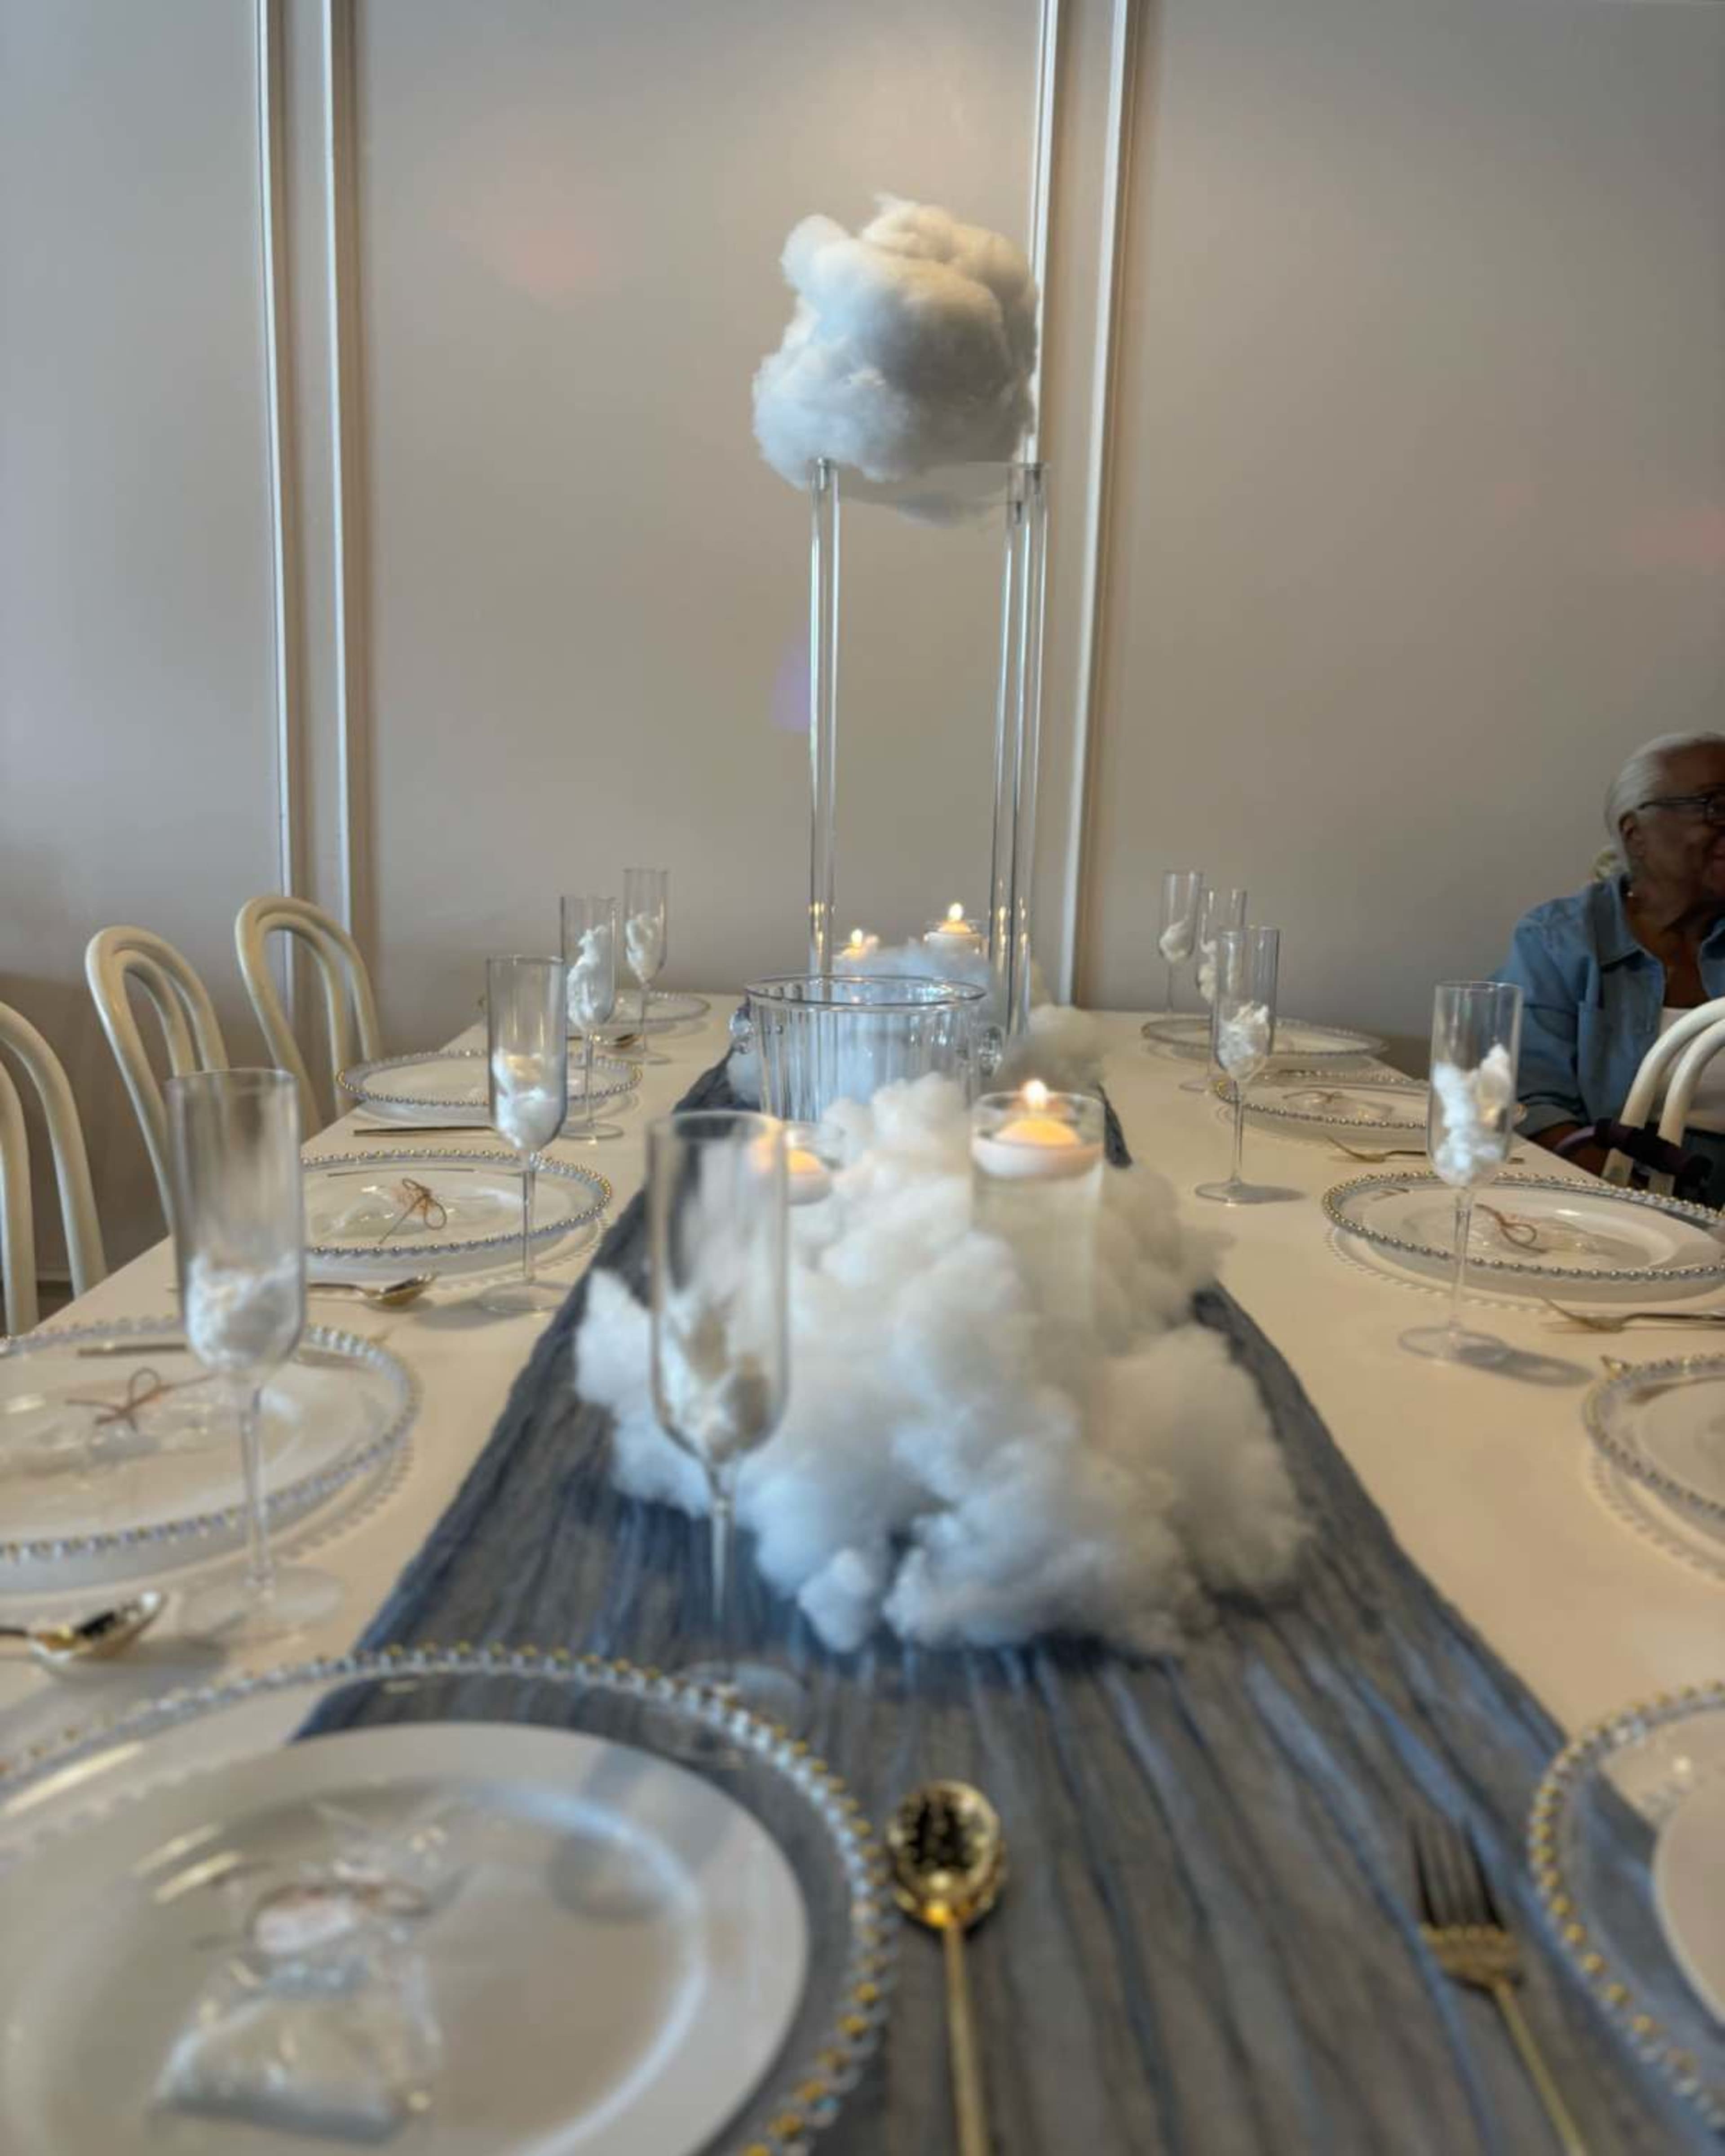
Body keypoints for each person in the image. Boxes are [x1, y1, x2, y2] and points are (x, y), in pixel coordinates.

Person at [1499, 730, 1725, 1202]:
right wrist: (1644, 1206)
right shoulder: (1559, 939)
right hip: (1607, 1201)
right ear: (1635, 834)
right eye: (1716, 805)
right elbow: (1532, 1104)